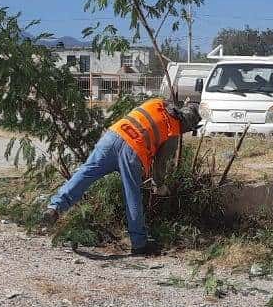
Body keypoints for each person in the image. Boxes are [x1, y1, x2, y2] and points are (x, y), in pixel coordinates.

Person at [44, 98, 201, 255]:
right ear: (186, 126)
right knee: (132, 196)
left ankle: (55, 207)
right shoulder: (173, 132)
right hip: (133, 151)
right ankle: (139, 244)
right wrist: (159, 186)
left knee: (86, 172)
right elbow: (160, 165)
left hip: (113, 136)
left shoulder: (158, 103)